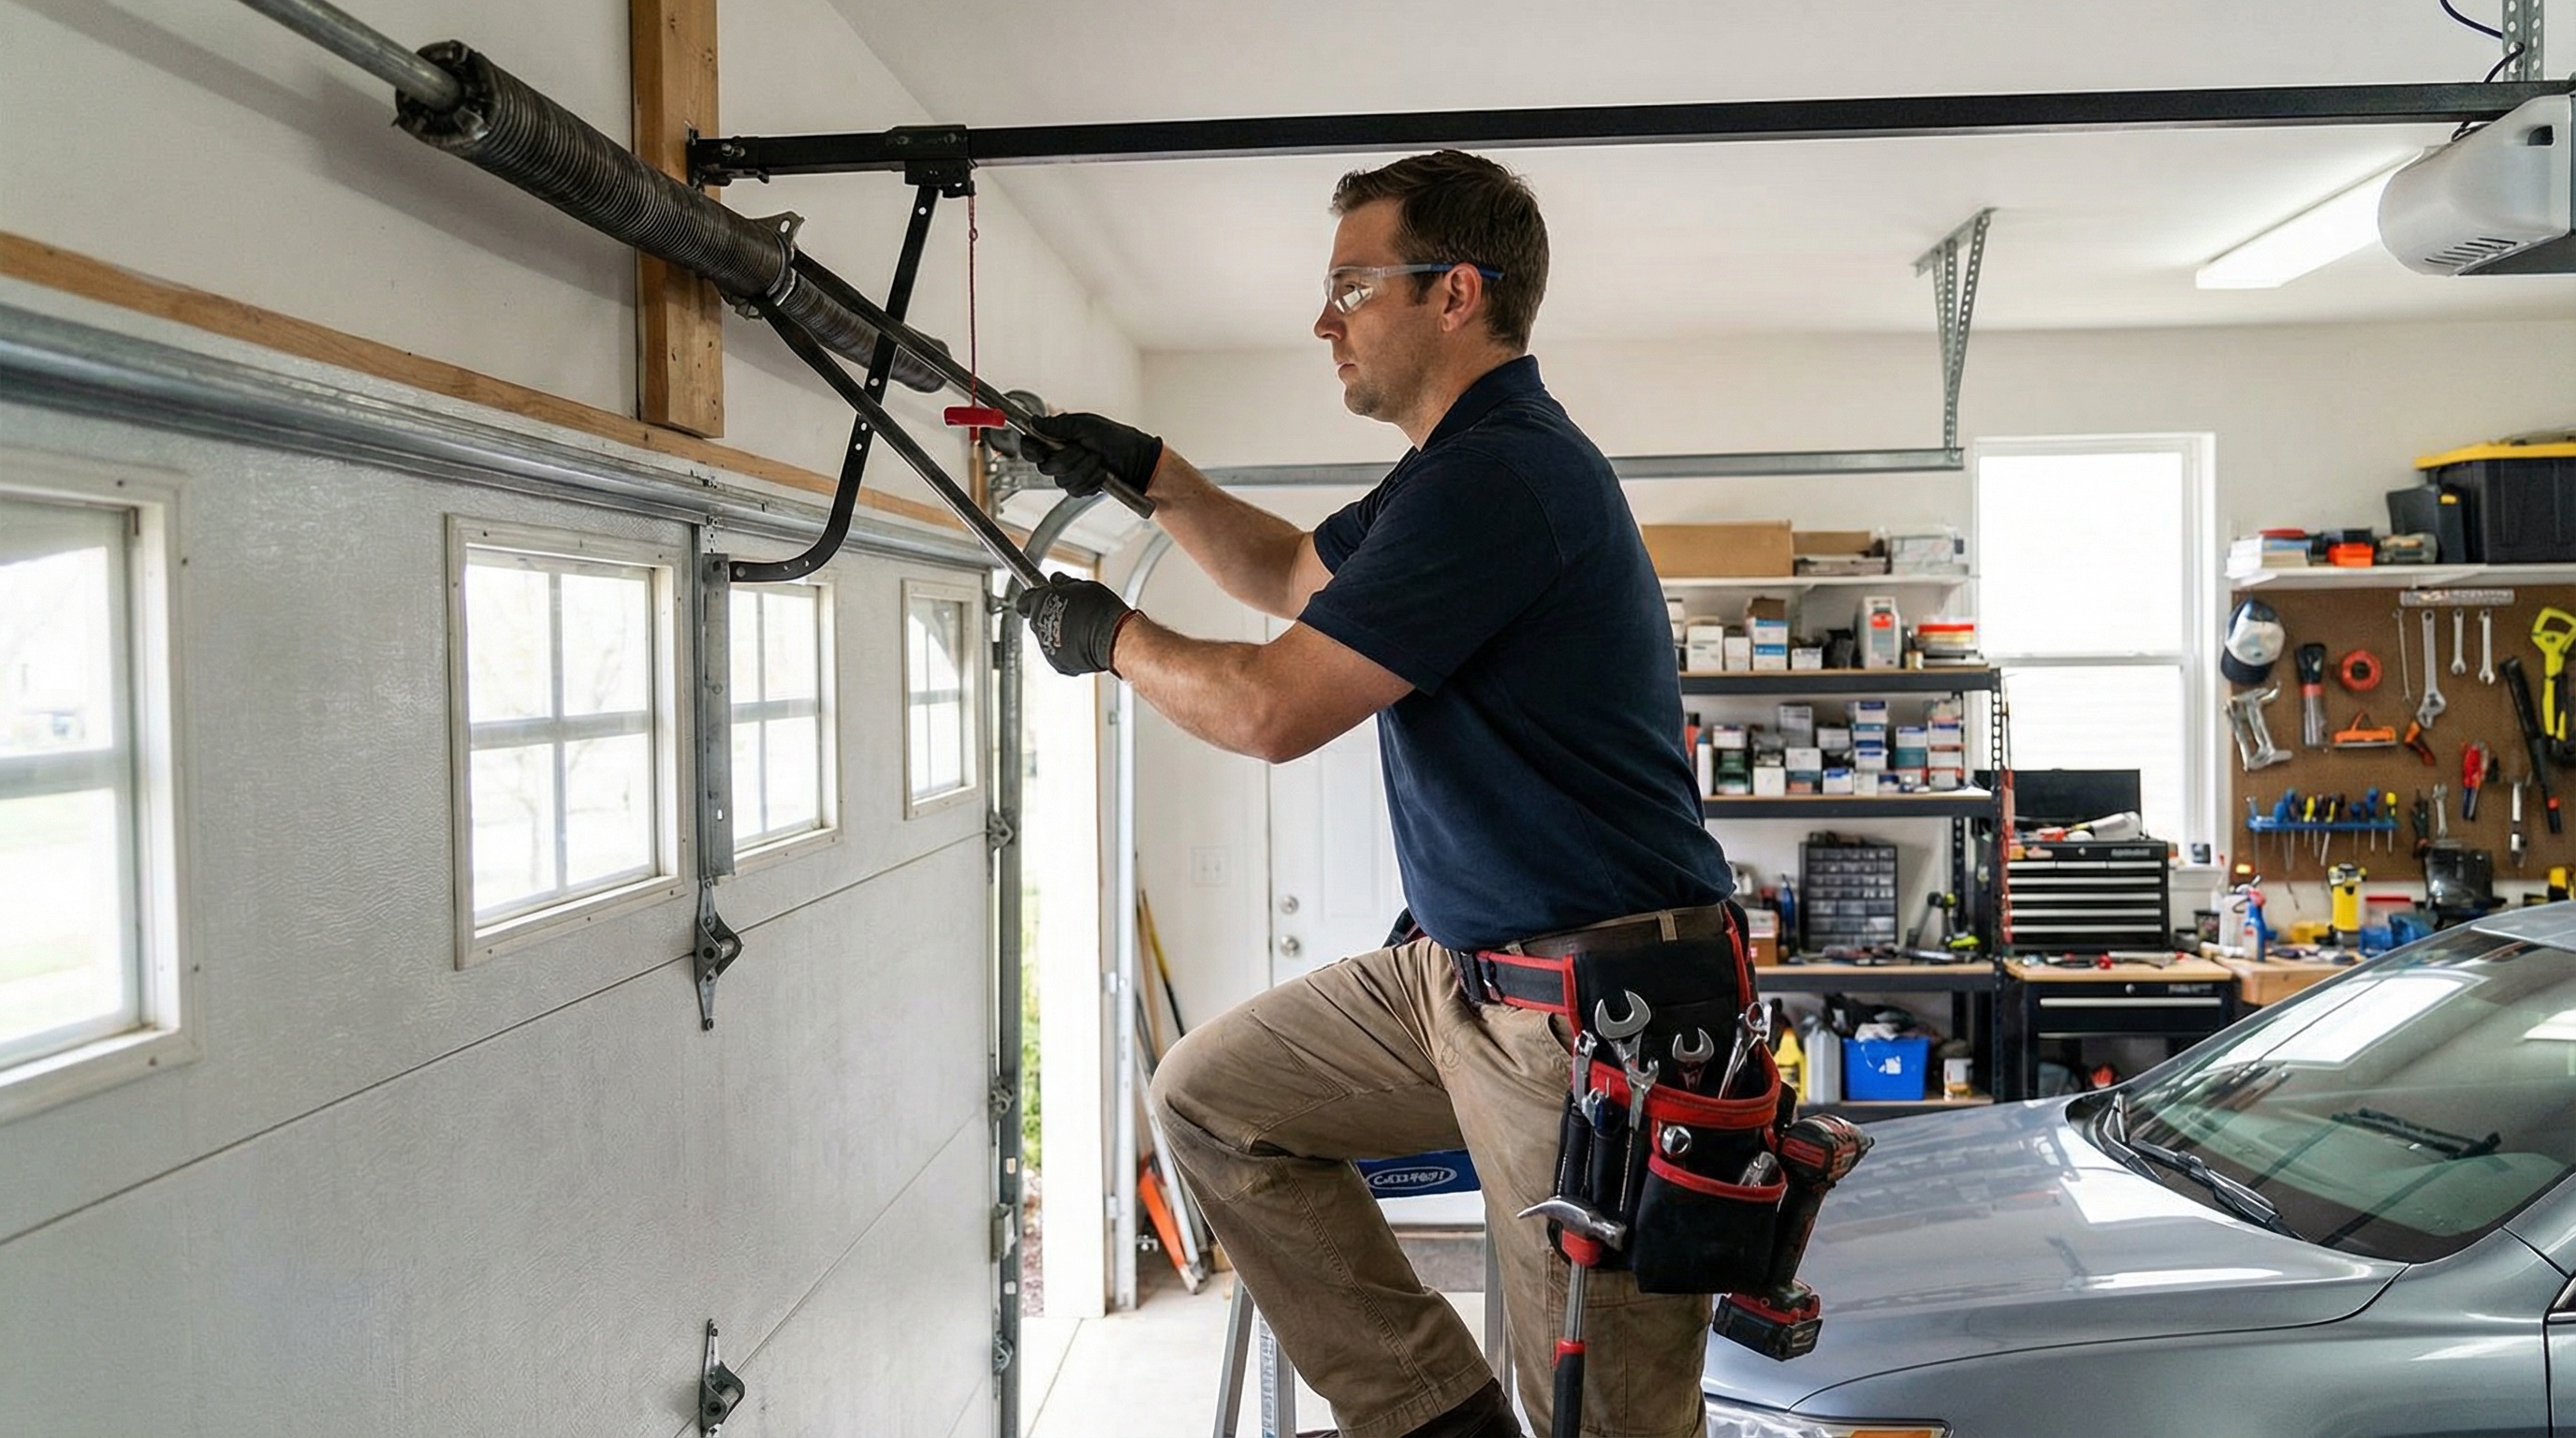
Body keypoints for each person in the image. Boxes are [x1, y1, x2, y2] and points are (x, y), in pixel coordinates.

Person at [1016, 151, 1734, 1438]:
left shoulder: (1503, 476)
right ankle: (1431, 1416)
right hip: (1460, 976)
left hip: (1598, 1017)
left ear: (1456, 292)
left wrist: (1111, 638)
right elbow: (1294, 571)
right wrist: (1153, 471)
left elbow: (1272, 707)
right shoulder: (1444, 474)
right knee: (1210, 1099)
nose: (1322, 320)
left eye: (1353, 285)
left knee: (1606, 1418)